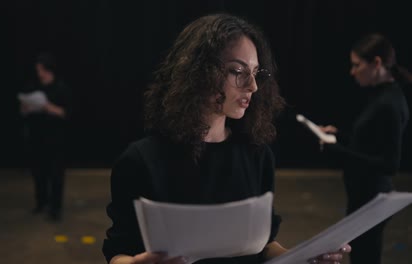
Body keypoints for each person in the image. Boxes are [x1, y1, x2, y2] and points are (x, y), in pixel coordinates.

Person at [103, 14, 351, 264]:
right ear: (199, 72)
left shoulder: (257, 154)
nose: (252, 86)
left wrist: (304, 259)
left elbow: (262, 246)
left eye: (255, 72)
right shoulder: (142, 161)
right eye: (238, 71)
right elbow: (118, 252)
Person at [319, 33, 410, 264]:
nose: (352, 71)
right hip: (364, 196)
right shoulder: (380, 96)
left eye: (357, 65)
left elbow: (389, 164)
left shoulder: (389, 103)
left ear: (377, 63)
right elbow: (370, 143)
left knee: (365, 257)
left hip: (372, 199)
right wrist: (338, 136)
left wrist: (337, 149)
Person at [20, 52, 71, 222]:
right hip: (36, 137)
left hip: (56, 139)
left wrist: (47, 106)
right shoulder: (33, 85)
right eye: (37, 69)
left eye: (41, 69)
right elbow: (24, 109)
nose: (39, 72)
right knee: (38, 173)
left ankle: (55, 208)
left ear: (49, 69)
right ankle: (41, 202)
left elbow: (66, 113)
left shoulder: (60, 87)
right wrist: (27, 108)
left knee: (56, 175)